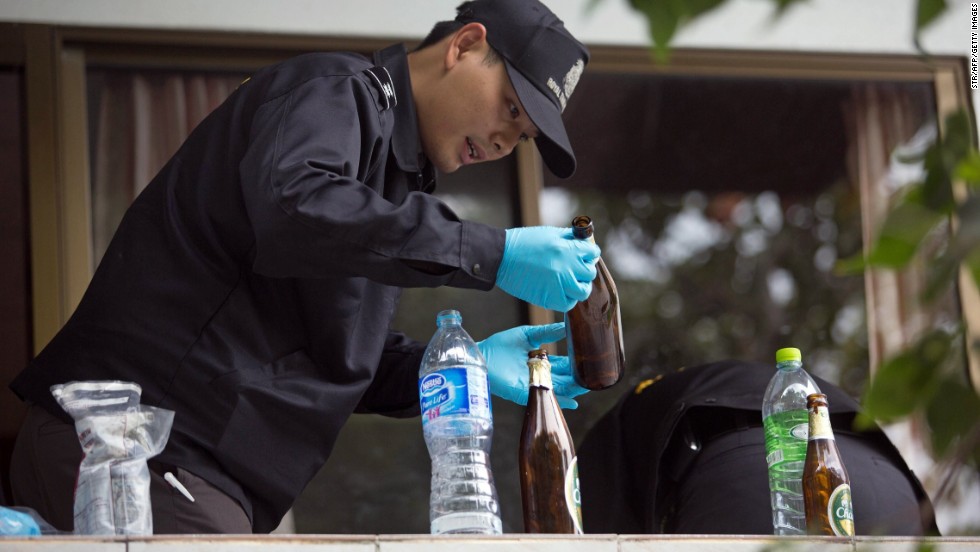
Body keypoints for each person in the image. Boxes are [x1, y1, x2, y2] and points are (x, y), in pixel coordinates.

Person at [8, 0, 597, 534]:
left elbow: (331, 354)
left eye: (519, 137)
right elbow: (296, 204)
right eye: (510, 107)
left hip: (191, 470)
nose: (501, 140)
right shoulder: (336, 89)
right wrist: (491, 253)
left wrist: (458, 366)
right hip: (136, 444)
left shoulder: (392, 177)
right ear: (464, 44)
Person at [577, 360, 939, 535]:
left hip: (757, 484)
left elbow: (598, 534)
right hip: (891, 485)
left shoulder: (625, 423)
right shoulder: (782, 383)